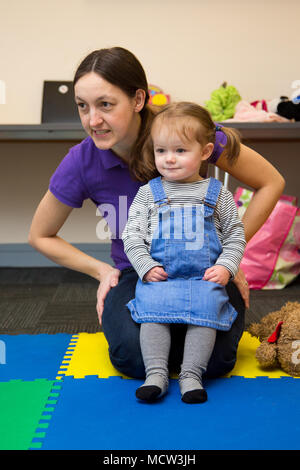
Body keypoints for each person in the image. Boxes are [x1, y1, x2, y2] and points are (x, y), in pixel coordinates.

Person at [28, 46, 285, 381]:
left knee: (217, 361)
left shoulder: (186, 132)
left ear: (138, 99)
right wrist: (102, 272)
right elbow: (40, 235)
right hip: (141, 273)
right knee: (134, 360)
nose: (92, 120)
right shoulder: (81, 160)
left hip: (204, 270)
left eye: (105, 104)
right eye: (82, 106)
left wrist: (228, 259)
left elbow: (271, 182)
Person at [122, 102, 246, 403]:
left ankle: (191, 375)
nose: (169, 160)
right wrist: (145, 265)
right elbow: (132, 235)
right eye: (161, 151)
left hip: (204, 280)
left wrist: (227, 267)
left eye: (180, 151)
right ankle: (156, 374)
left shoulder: (217, 194)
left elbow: (235, 236)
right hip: (161, 279)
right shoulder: (149, 193)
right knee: (152, 315)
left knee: (205, 316)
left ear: (204, 152)